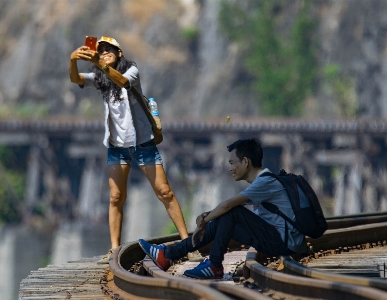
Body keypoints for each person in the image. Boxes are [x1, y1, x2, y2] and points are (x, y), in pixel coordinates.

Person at [69, 36, 202, 264]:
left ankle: (187, 243)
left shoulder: (131, 70)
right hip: (117, 147)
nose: (105, 53)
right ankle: (114, 248)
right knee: (116, 197)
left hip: (143, 144)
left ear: (119, 53)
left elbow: (121, 81)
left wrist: (100, 64)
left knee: (165, 192)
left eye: (110, 49)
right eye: (101, 51)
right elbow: (76, 78)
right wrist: (73, 60)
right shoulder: (100, 78)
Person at [139, 138, 307, 279]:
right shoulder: (263, 180)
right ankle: (168, 255)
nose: (230, 168)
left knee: (231, 212)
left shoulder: (264, 182)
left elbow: (228, 205)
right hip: (279, 239)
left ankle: (214, 265)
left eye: (233, 163)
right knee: (222, 219)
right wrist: (209, 218)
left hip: (284, 243)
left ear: (246, 162)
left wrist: (204, 219)